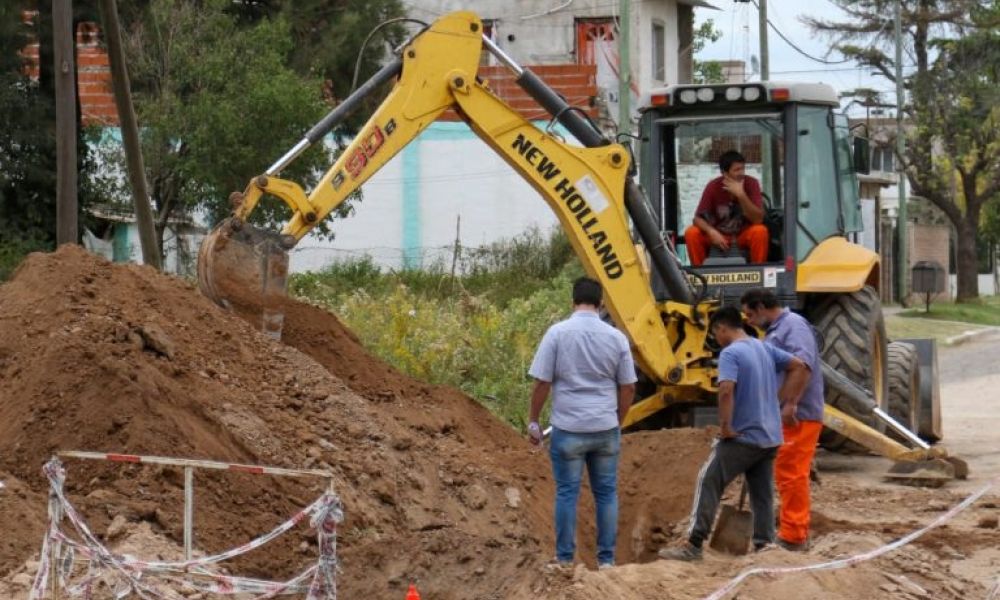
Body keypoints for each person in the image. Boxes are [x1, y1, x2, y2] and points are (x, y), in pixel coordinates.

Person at [658, 306, 808, 561]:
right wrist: (780, 400)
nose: (716, 339)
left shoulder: (731, 353)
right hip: (770, 437)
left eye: (715, 334)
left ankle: (693, 544)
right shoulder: (764, 347)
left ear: (721, 328)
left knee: (708, 479)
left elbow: (726, 389)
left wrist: (726, 426)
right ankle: (764, 545)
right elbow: (799, 366)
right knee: (762, 493)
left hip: (743, 436)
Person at [527, 276, 637, 569]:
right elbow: (628, 387)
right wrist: (617, 421)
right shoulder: (616, 338)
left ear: (573, 301)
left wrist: (533, 421)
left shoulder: (557, 333)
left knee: (566, 493)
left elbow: (542, 382)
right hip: (605, 428)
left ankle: (564, 559)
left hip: (569, 428)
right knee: (606, 493)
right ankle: (606, 561)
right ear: (601, 303)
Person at [741, 288, 823, 552]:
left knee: (791, 473)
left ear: (762, 307)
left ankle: (794, 536)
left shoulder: (793, 327)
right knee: (785, 472)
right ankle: (789, 531)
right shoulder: (776, 331)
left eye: (750, 314)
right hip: (780, 414)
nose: (749, 321)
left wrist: (790, 404)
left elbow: (803, 366)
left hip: (798, 416)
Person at [684, 150, 769, 266]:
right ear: (725, 173)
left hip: (742, 235)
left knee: (760, 231)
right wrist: (711, 232)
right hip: (719, 236)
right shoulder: (713, 187)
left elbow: (758, 220)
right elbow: (697, 219)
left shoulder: (752, 183)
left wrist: (741, 195)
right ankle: (700, 273)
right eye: (737, 170)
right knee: (691, 233)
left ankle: (758, 271)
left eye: (743, 169)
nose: (741, 173)